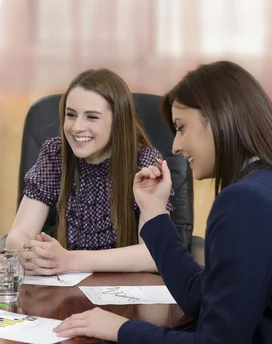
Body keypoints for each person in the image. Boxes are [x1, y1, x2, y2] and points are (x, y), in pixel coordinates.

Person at [53, 61, 272, 342]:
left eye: (181, 128)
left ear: (218, 119)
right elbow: (199, 296)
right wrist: (155, 213)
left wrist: (121, 329)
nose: (176, 146)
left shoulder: (243, 202)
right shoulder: (259, 188)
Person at [6, 69, 173, 274]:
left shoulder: (144, 162)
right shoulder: (55, 154)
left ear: (118, 121)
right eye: (71, 115)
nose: (77, 127)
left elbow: (152, 255)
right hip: (64, 290)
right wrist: (31, 254)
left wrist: (70, 261)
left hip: (122, 292)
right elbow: (17, 236)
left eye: (92, 117)